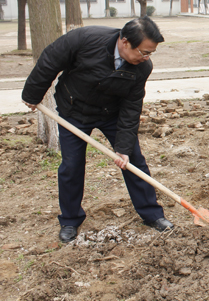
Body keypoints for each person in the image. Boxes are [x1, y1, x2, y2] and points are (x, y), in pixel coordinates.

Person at [21, 17, 173, 243]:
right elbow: (50, 60)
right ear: (125, 42)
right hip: (74, 109)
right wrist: (32, 94)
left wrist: (123, 149)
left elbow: (131, 107)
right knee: (72, 165)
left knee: (134, 161)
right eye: (143, 52)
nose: (146, 58)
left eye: (151, 53)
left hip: (111, 113)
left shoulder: (142, 67)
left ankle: (152, 215)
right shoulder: (85, 39)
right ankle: (70, 220)